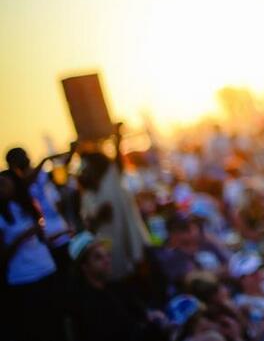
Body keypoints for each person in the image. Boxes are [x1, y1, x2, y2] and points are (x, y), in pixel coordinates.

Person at [78, 124, 150, 281]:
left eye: (87, 167)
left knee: (137, 276)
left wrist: (117, 138)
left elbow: (117, 162)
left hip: (126, 238)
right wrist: (98, 216)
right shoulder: (87, 196)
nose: (84, 171)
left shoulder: (110, 180)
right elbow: (88, 226)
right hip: (108, 248)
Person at [67, 231, 168, 341]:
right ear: (84, 267)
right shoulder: (85, 306)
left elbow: (141, 314)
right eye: (98, 257)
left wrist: (152, 316)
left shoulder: (118, 288)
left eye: (107, 255)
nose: (107, 260)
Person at [0, 169, 64, 341]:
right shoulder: (1, 217)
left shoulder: (28, 206)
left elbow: (43, 239)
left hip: (47, 269)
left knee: (57, 323)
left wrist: (60, 234)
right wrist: (22, 236)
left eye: (4, 183)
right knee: (37, 328)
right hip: (24, 279)